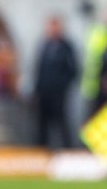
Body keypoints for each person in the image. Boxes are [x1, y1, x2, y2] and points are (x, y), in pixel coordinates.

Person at [33, 16, 78, 149]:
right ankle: (42, 149)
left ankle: (67, 149)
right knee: (42, 123)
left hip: (59, 92)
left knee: (62, 122)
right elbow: (39, 69)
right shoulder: (44, 45)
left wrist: (62, 86)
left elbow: (73, 70)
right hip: (44, 92)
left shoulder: (66, 47)